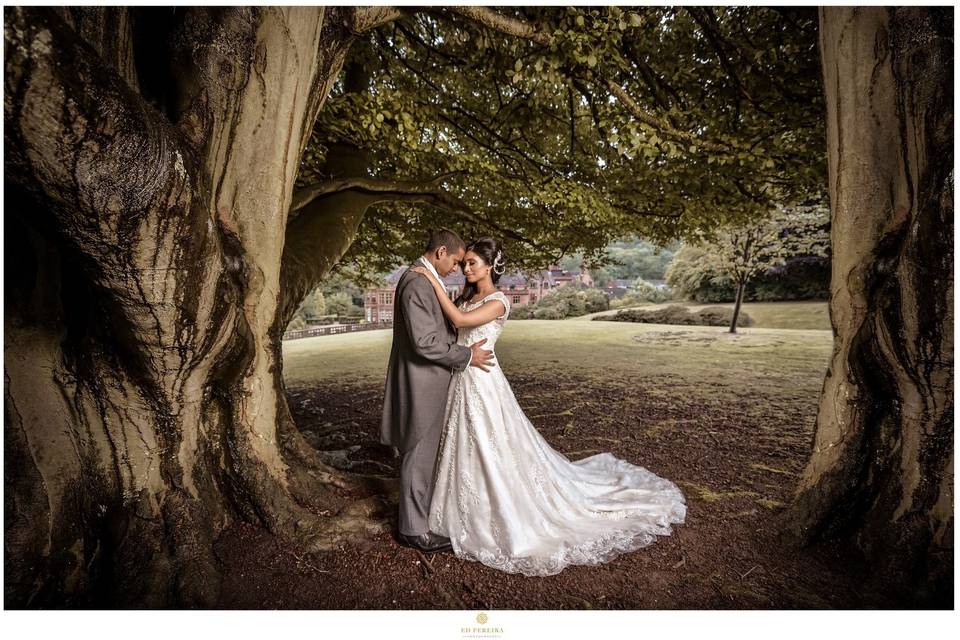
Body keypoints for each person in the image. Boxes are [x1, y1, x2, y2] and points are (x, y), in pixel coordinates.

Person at [409, 237, 687, 576]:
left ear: (490, 266)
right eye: (464, 263)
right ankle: (456, 510)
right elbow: (453, 329)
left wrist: (429, 278)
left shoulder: (499, 301)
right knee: (462, 442)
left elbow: (461, 322)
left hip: (483, 381)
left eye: (472, 263)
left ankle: (502, 510)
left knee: (488, 442)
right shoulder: (467, 296)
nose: (466, 268)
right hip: (463, 375)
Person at [380, 229, 496, 554]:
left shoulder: (424, 278)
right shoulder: (417, 281)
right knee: (419, 455)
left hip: (430, 380)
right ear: (441, 252)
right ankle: (414, 531)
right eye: (457, 262)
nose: (458, 270)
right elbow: (425, 343)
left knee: (426, 455)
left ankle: (421, 518)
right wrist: (468, 355)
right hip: (422, 383)